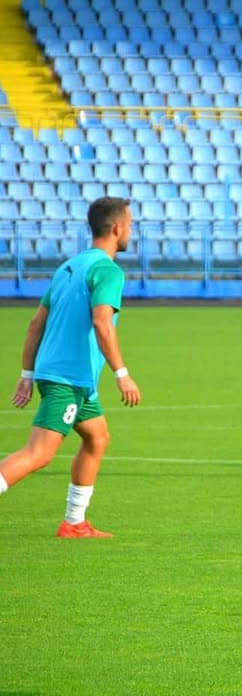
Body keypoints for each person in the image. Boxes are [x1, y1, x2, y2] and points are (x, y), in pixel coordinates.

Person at [0, 196, 141, 538]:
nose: (131, 232)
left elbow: (36, 323)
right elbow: (102, 322)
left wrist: (27, 374)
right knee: (39, 453)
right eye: (131, 225)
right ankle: (74, 522)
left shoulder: (69, 266)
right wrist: (122, 374)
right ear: (117, 227)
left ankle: (74, 523)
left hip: (69, 378)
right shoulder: (107, 270)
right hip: (68, 377)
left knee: (97, 437)